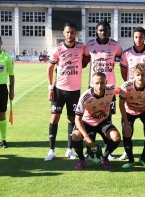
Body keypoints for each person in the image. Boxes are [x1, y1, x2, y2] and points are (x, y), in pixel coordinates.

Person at [83, 20, 122, 160]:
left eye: (105, 30)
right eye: (100, 30)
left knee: (108, 118)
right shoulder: (89, 45)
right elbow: (83, 63)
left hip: (109, 87)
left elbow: (122, 60)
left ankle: (108, 150)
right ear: (96, 31)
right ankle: (89, 147)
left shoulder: (116, 45)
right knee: (90, 117)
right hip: (93, 86)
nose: (103, 33)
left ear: (109, 31)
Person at [45, 22, 85, 161]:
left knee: (72, 119)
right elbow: (49, 69)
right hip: (59, 90)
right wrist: (50, 88)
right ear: (63, 33)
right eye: (67, 32)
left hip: (74, 91)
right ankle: (51, 150)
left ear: (76, 33)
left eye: (72, 32)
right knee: (54, 117)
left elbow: (87, 58)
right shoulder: (57, 49)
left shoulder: (81, 47)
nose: (70, 34)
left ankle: (69, 150)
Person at [118, 27, 145, 161]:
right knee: (127, 127)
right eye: (136, 37)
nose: (138, 39)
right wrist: (130, 86)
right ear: (133, 37)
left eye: (141, 37)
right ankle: (127, 151)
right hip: (131, 91)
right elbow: (124, 72)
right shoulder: (126, 54)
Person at [72, 72, 121, 170]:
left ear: (106, 82)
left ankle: (105, 157)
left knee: (116, 137)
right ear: (92, 83)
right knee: (76, 136)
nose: (100, 86)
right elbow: (77, 119)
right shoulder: (85, 97)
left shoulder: (111, 90)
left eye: (102, 83)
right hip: (86, 123)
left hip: (103, 122)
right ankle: (82, 159)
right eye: (97, 83)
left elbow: (122, 90)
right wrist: (86, 136)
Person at [119, 63, 145, 168]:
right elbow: (121, 105)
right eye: (137, 75)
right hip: (129, 112)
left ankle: (143, 158)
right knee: (127, 131)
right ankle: (131, 160)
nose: (140, 77)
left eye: (142, 75)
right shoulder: (126, 87)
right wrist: (126, 123)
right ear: (133, 75)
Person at [0, 36, 14, 148]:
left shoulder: (7, 58)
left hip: (2, 88)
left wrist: (12, 90)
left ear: (1, 43)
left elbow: (11, 75)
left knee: (2, 114)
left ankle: (4, 139)